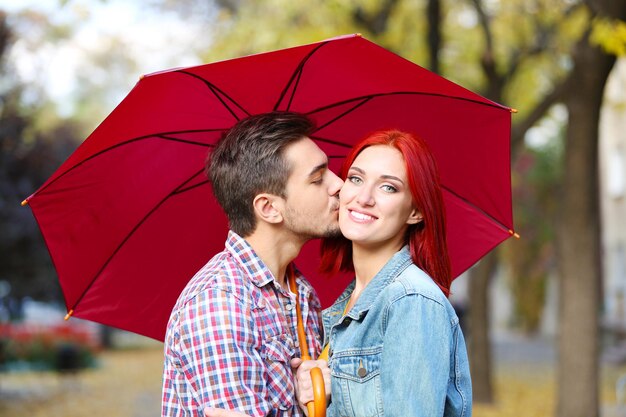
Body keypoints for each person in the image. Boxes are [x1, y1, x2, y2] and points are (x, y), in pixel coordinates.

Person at [161, 112, 338, 417]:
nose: (339, 185)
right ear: (269, 208)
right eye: (318, 178)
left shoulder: (300, 293)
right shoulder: (220, 302)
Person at [295, 129, 472, 416]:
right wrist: (319, 397)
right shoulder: (344, 309)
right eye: (355, 179)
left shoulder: (411, 302)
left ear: (416, 211)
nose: (363, 197)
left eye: (388, 187)